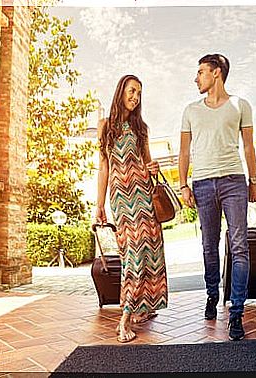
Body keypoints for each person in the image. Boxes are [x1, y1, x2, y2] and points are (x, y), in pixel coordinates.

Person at [178, 54, 256, 341]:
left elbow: (248, 148)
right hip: (201, 184)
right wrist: (183, 185)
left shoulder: (240, 106)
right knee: (209, 247)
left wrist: (253, 182)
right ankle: (212, 295)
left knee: (239, 247)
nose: (196, 77)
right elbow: (184, 152)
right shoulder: (190, 110)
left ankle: (236, 312)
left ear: (216, 73)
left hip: (234, 183)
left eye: (200, 72)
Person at [96, 74, 168, 343]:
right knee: (133, 254)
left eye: (139, 93)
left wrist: (154, 168)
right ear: (121, 91)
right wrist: (99, 205)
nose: (135, 97)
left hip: (145, 196)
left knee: (149, 250)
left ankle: (142, 307)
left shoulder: (142, 128)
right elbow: (103, 167)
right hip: (121, 199)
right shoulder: (105, 126)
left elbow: (148, 163)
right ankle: (124, 318)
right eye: (131, 91)